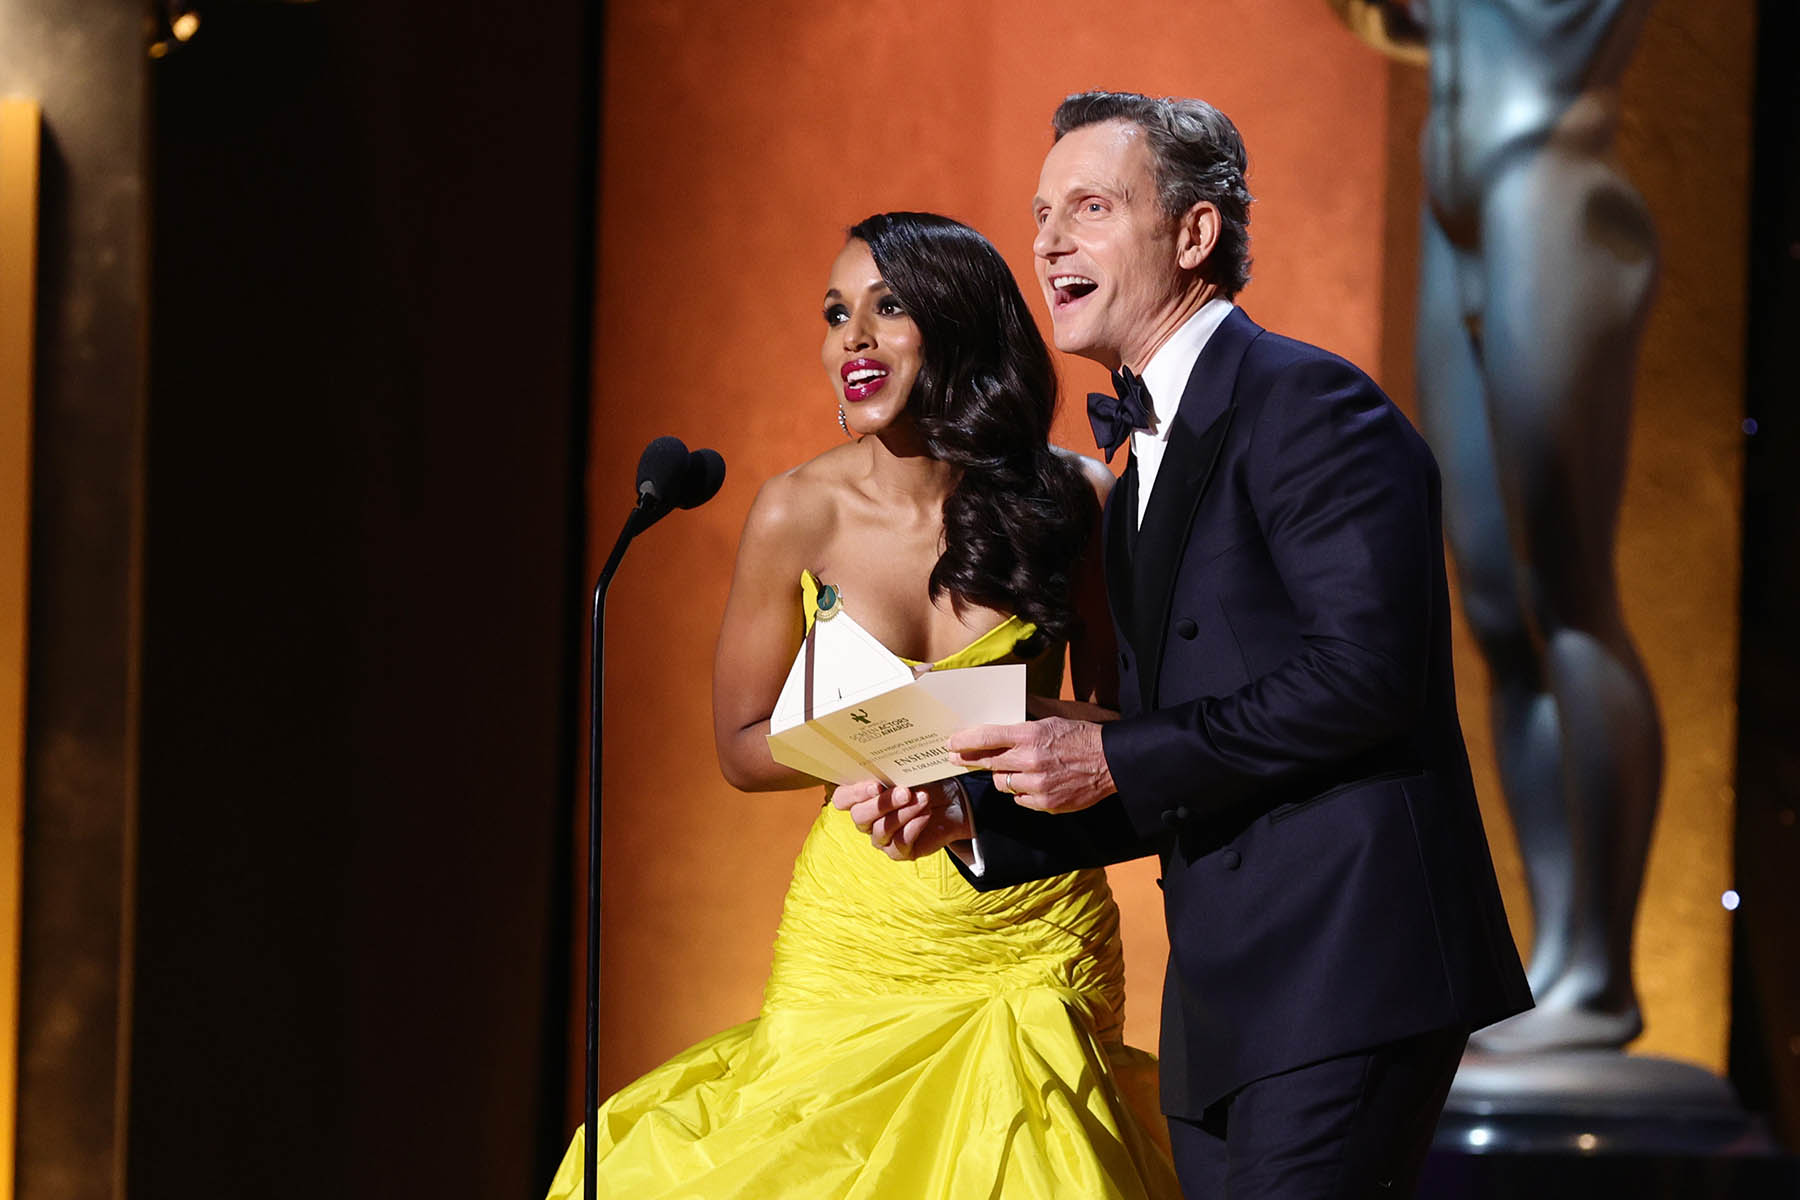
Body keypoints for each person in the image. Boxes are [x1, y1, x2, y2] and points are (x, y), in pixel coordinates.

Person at [839, 92, 1532, 1198]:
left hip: (1346, 966)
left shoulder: (1309, 402)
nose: (1048, 240)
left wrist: (1111, 754)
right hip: (1228, 996)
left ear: (1195, 235)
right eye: (1039, 213)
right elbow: (1181, 752)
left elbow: (1369, 676)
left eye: (1091, 207)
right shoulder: (1130, 468)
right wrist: (972, 815)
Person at [543, 211, 1180, 1199]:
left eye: (889, 309)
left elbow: (1134, 732)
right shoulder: (798, 509)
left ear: (961, 324)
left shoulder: (1077, 499)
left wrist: (977, 726)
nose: (854, 339)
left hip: (1031, 930)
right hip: (858, 930)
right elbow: (743, 747)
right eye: (838, 313)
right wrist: (874, 745)